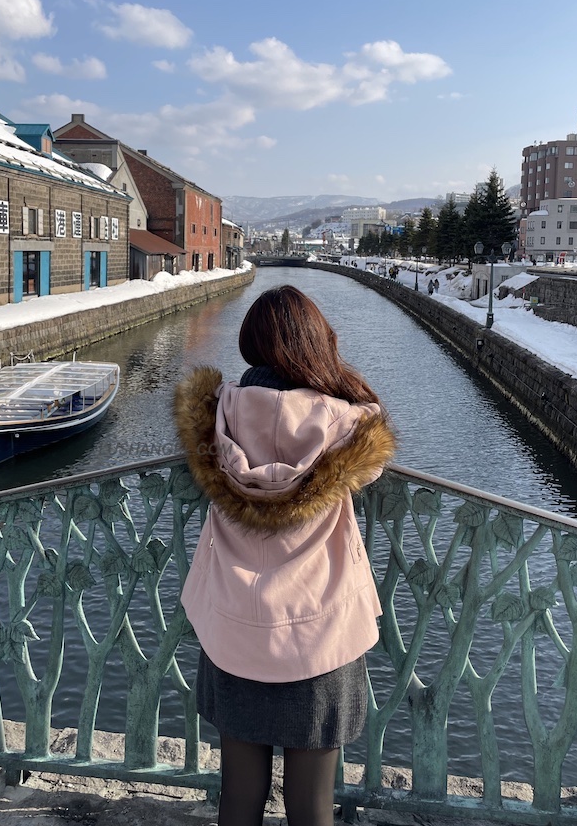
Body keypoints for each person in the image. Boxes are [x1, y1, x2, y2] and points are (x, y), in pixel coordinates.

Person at [174, 285, 395, 826]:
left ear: (252, 344)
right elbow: (373, 456)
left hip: (234, 630)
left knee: (239, 794)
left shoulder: (216, 416)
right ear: (313, 346)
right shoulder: (344, 424)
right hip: (321, 634)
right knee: (312, 805)